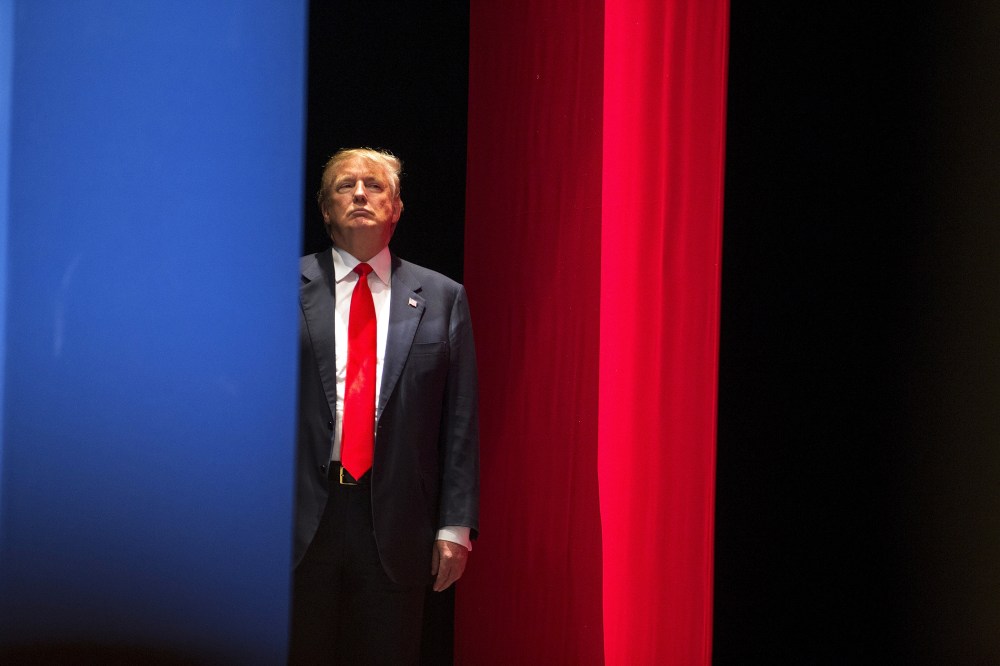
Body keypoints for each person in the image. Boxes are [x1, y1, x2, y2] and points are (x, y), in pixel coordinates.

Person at [289, 147, 479, 664]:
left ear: (396, 207)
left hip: (396, 522)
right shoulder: (280, 287)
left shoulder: (442, 297)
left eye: (373, 185)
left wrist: (455, 527)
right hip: (298, 518)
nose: (359, 194)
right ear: (325, 209)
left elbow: (459, 420)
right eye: (344, 186)